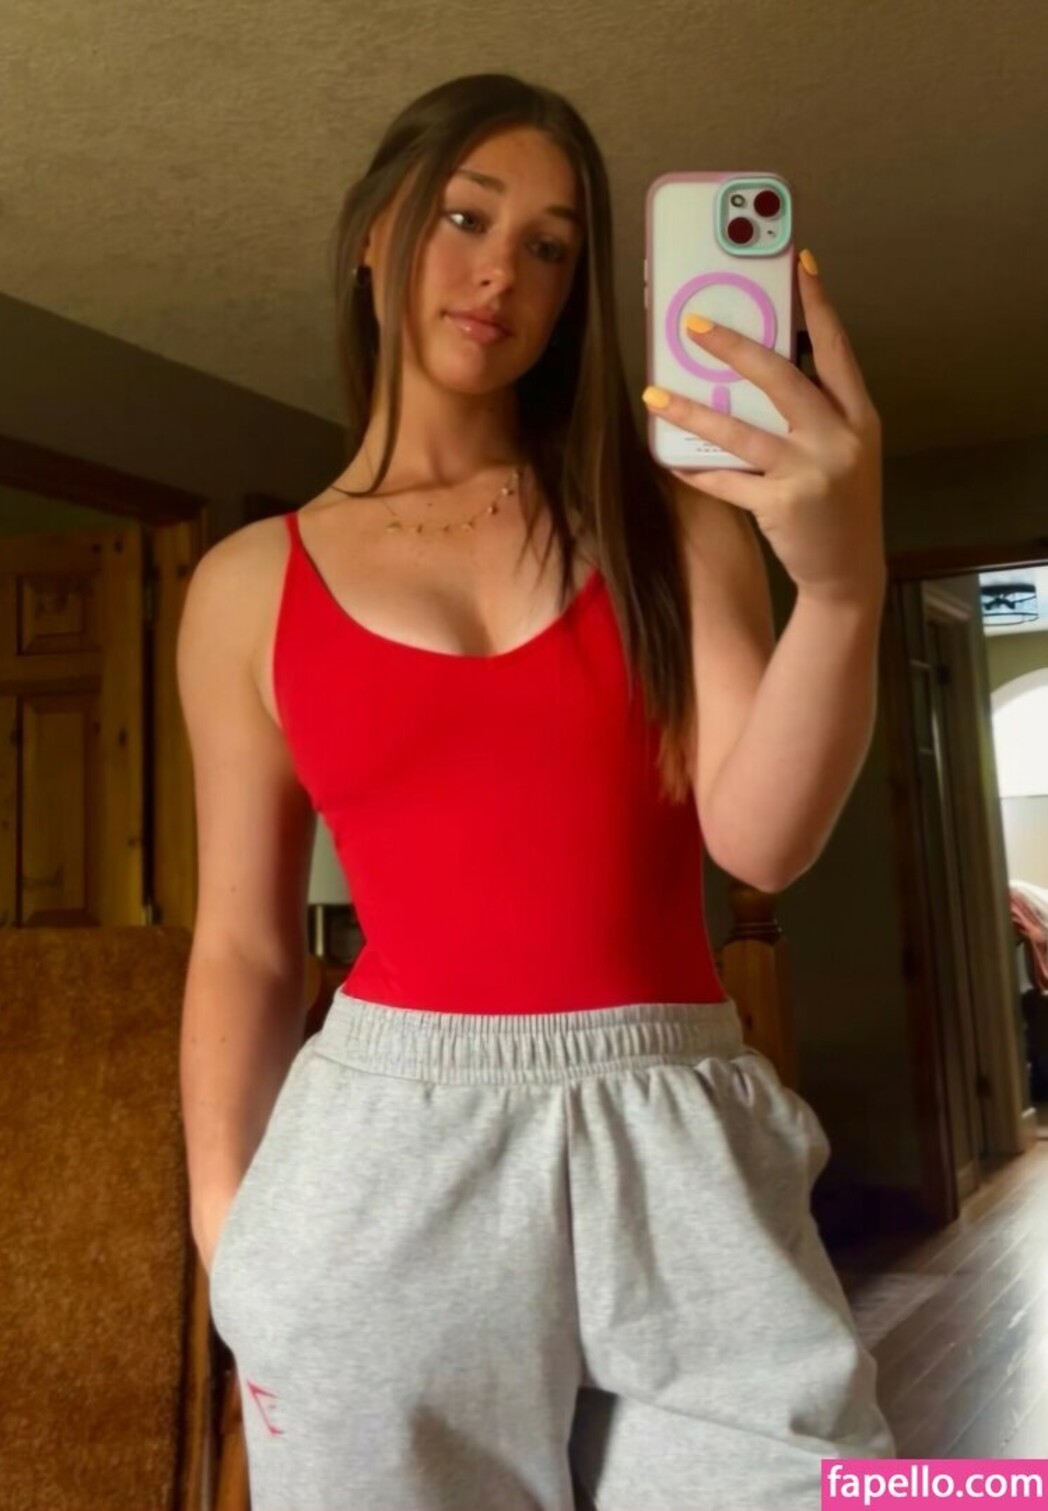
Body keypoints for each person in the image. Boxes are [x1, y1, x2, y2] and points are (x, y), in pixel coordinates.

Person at [178, 71, 895, 1511]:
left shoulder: (669, 515)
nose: (502, 269)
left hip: (677, 1130)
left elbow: (761, 839)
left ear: (577, 292)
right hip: (384, 1158)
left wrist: (843, 582)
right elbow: (246, 946)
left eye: (552, 245)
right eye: (465, 216)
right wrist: (229, 1236)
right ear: (375, 235)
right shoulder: (249, 583)